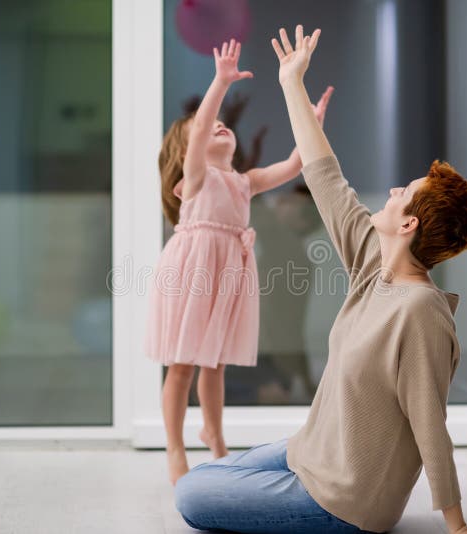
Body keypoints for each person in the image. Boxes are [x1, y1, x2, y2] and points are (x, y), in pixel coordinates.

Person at [174, 26, 467, 534]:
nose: (393, 189)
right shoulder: (375, 264)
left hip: (343, 500)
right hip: (309, 453)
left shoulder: (420, 312)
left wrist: (456, 524)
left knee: (191, 495)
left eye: (404, 191)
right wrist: (291, 83)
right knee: (210, 473)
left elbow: (430, 424)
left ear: (410, 223)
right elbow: (326, 177)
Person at [145, 38, 333, 485]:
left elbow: (293, 165)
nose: (220, 126)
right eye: (208, 128)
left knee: (215, 363)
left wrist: (311, 120)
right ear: (188, 148)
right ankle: (175, 446)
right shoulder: (195, 178)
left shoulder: (243, 182)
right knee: (182, 365)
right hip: (190, 273)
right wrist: (220, 82)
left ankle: (215, 435)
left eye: (223, 125)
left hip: (227, 274)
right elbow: (205, 120)